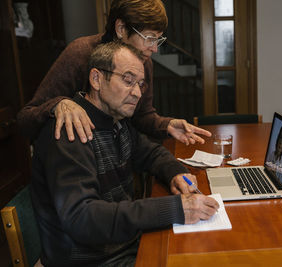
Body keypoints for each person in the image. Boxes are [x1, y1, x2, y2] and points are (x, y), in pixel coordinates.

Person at [30, 41, 219, 266]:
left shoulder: (117, 120)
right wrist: (174, 208)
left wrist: (177, 173)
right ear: (96, 79)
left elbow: (151, 153)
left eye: (140, 84)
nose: (137, 93)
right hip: (92, 259)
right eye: (128, 80)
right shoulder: (69, 130)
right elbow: (83, 219)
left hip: (124, 244)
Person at [17, 0, 210, 145]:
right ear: (121, 29)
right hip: (76, 159)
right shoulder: (80, 53)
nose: (154, 49)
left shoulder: (144, 61)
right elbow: (26, 119)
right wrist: (58, 104)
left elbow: (142, 116)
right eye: (150, 38)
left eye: (158, 39)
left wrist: (166, 125)